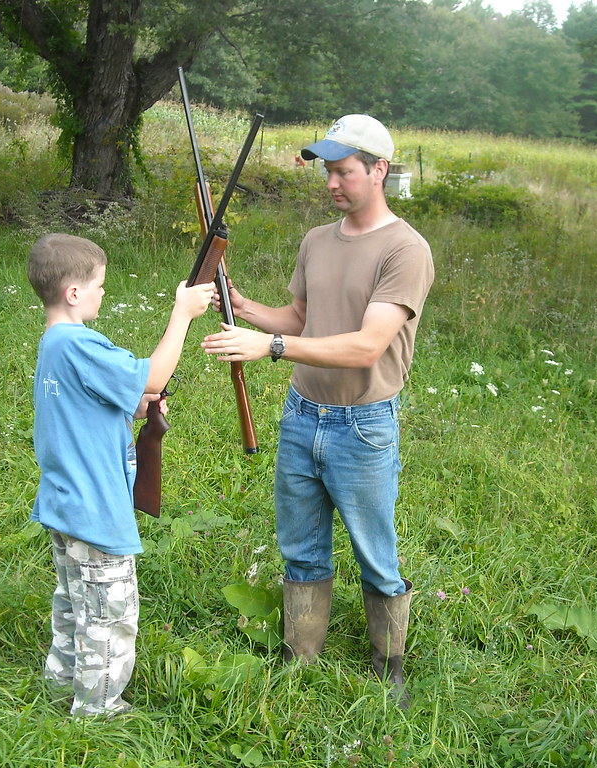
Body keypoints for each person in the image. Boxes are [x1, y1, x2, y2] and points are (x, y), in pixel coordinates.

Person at [200, 115, 434, 706]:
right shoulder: (316, 240)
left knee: (375, 552)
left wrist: (270, 349)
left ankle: (390, 667)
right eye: (328, 171)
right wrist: (245, 306)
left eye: (344, 171)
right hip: (303, 415)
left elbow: (364, 346)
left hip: (363, 424)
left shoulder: (406, 249)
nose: (332, 182)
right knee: (301, 546)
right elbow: (300, 320)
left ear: (379, 169)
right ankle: (299, 657)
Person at [27, 233, 215, 717]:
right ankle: (98, 710)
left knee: (73, 604)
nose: (103, 293)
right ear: (74, 293)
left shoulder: (54, 344)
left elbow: (91, 404)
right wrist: (183, 314)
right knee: (108, 615)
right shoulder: (81, 344)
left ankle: (61, 683)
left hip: (64, 503)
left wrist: (135, 406)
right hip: (96, 509)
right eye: (99, 286)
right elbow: (152, 375)